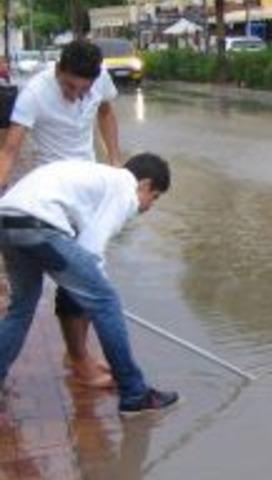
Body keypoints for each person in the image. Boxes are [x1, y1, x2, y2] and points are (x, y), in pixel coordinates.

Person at [0, 154, 179, 416]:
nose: (150, 206)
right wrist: (96, 290)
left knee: (22, 307)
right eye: (155, 197)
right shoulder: (124, 188)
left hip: (6, 219)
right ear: (145, 184)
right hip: (36, 222)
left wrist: (80, 286)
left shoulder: (99, 180)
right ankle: (134, 393)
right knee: (106, 301)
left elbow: (77, 247)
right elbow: (91, 249)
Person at [0, 40, 122, 388]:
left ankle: (77, 354)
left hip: (88, 192)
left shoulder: (98, 83)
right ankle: (80, 359)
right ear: (58, 71)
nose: (76, 95)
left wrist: (115, 163)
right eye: (69, 87)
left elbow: (106, 112)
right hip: (52, 199)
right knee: (72, 283)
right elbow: (9, 150)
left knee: (84, 278)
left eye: (84, 89)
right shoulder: (34, 94)